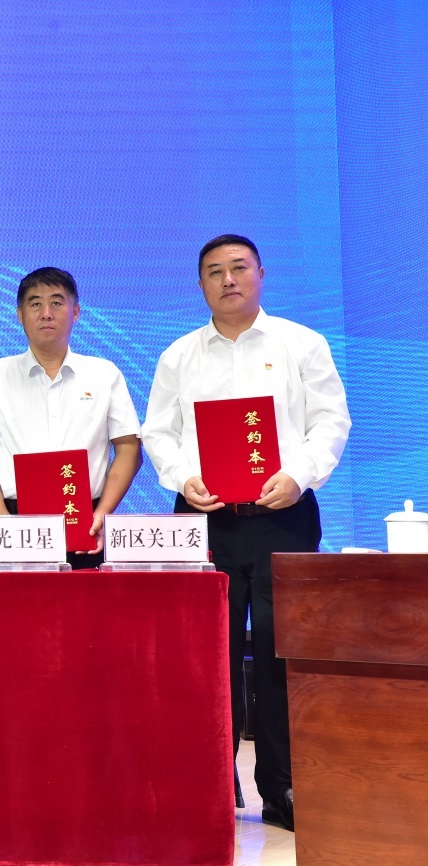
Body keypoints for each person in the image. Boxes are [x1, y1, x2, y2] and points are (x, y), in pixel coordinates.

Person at [141, 234, 350, 832]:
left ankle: (282, 786)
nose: (228, 279)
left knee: (283, 652)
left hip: (282, 515)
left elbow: (331, 420)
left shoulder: (301, 343)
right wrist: (183, 477)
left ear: (261, 274)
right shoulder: (179, 355)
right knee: (209, 654)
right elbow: (159, 432)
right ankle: (213, 782)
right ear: (199, 284)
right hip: (205, 520)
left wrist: (298, 475)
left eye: (238, 268)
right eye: (214, 271)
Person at [0, 267, 141, 568]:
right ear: (20, 315)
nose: (46, 313)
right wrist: (2, 520)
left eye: (56, 302)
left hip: (87, 523)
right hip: (15, 524)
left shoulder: (104, 373)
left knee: (85, 600)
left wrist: (103, 513)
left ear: (76, 312)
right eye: (35, 303)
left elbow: (129, 448)